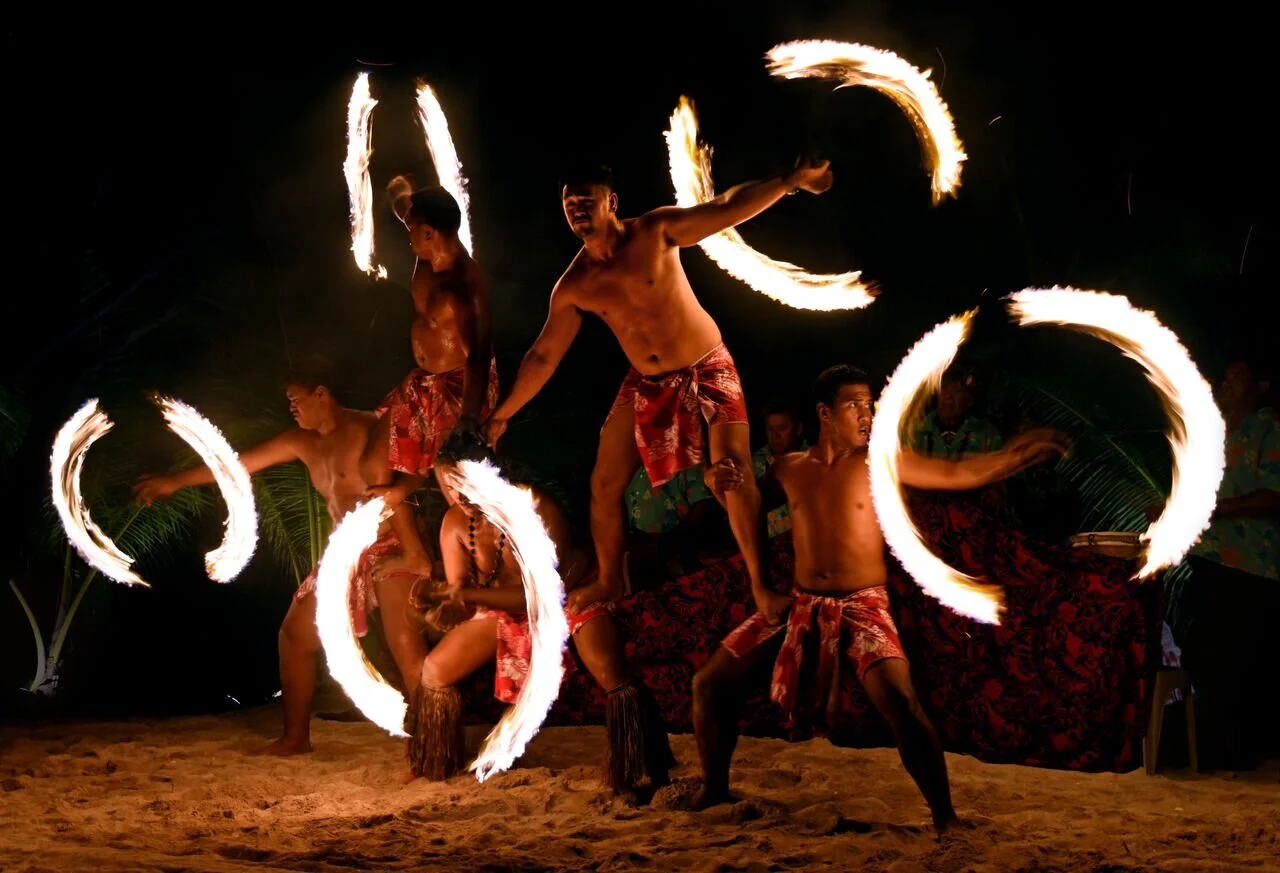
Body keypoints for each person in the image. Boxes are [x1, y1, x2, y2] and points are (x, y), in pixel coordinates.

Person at [694, 365, 1069, 833]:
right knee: (709, 685)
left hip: (862, 607)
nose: (867, 414)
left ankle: (944, 816)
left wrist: (1014, 458)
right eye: (854, 405)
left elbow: (957, 471)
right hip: (799, 605)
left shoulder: (880, 462)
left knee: (901, 703)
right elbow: (743, 502)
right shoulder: (788, 468)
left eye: (870, 404)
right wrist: (718, 482)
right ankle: (714, 789)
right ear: (825, 413)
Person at [486, 158, 833, 620]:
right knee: (604, 481)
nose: (577, 211)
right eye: (569, 204)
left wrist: (788, 182)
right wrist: (503, 414)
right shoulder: (575, 285)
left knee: (733, 470)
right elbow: (544, 356)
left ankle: (761, 587)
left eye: (586, 201)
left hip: (705, 366)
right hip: (646, 382)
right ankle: (610, 579)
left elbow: (726, 207)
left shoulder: (656, 232)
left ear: (612, 203)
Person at [133, 362, 433, 755]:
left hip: (391, 543)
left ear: (322, 394)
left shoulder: (369, 428)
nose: (291, 408)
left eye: (296, 400)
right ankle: (296, 738)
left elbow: (416, 472)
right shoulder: (301, 442)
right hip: (344, 554)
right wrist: (175, 481)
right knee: (294, 635)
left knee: (404, 643)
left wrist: (415, 552)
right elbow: (236, 465)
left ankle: (434, 745)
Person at [405, 433, 673, 795]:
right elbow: (461, 591)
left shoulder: (535, 509)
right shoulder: (454, 524)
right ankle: (434, 763)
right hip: (502, 604)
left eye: (466, 482)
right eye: (449, 487)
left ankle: (642, 762)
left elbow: (541, 595)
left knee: (607, 666)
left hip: (567, 592)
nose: (459, 496)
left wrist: (464, 595)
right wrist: (447, 607)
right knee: (435, 670)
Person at [365, 180, 499, 579]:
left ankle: (489, 571)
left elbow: (479, 356)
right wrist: (396, 192)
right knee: (373, 465)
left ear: (430, 233)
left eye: (412, 233)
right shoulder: (427, 257)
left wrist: (468, 419)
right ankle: (415, 555)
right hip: (421, 382)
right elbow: (405, 207)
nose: (408, 241)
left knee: (458, 488)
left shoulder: (466, 287)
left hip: (459, 387)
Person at [1179, 348, 1279, 769]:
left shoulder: (1269, 429)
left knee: (1237, 658)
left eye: (1238, 376)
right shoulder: (1214, 432)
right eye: (1225, 376)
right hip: (1208, 558)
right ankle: (1210, 748)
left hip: (1251, 564)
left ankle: (1239, 751)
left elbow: (1274, 494)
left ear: (1260, 387)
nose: (1227, 383)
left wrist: (1218, 510)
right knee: (1200, 651)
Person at [750, 398, 809, 537]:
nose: (775, 436)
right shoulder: (753, 463)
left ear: (798, 429)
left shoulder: (815, 460)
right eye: (770, 429)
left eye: (782, 428)